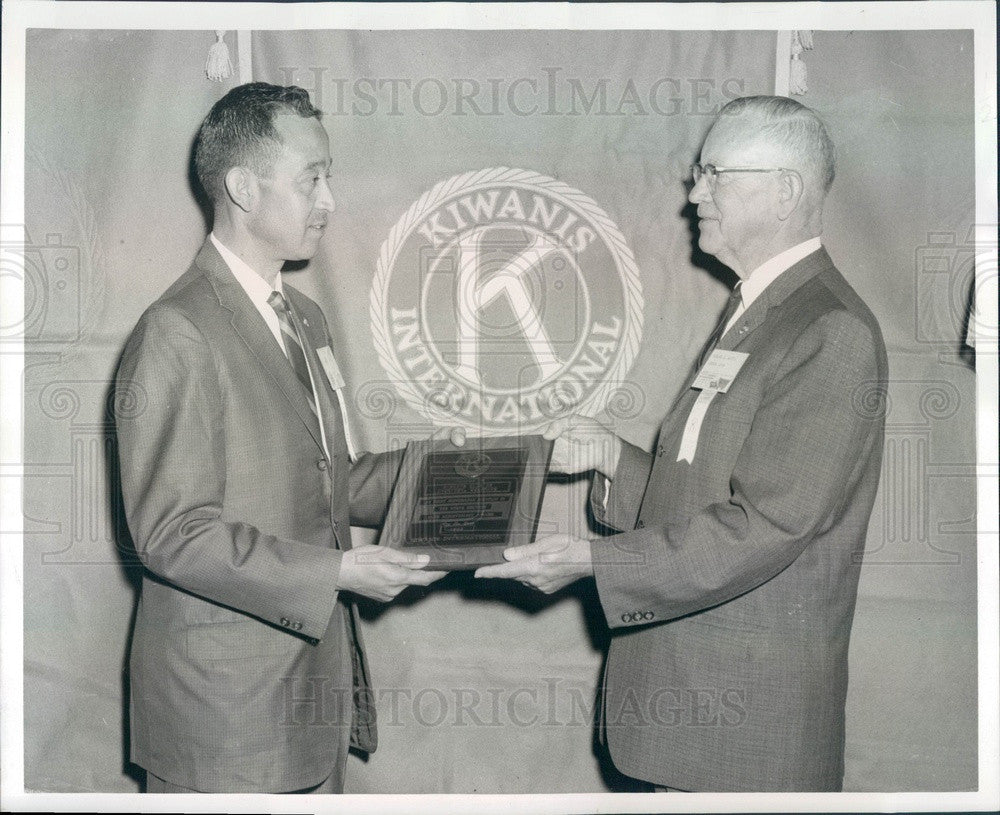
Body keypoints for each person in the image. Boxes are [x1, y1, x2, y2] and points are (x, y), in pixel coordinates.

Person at [477, 95, 887, 792]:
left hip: (745, 731)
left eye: (714, 173)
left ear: (784, 190)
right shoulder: (763, 308)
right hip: (695, 719)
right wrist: (614, 457)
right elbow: (710, 486)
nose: (694, 193)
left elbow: (766, 525)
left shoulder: (830, 330)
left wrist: (592, 559)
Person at [115, 82, 447, 794]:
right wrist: (337, 573)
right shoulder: (178, 330)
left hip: (309, 698)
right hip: (224, 719)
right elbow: (172, 534)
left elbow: (339, 480)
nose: (329, 200)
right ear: (242, 186)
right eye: (312, 179)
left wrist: (461, 468)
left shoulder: (304, 316)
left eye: (330, 177)